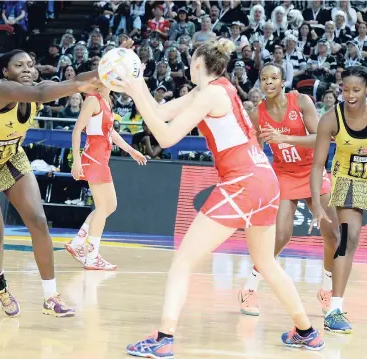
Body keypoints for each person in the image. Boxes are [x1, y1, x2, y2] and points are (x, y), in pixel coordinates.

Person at [110, 39, 324, 357]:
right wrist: (136, 80)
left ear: (198, 64)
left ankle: (164, 338)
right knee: (265, 262)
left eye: (190, 60)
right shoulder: (214, 89)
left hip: (242, 181)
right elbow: (157, 111)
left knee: (182, 261)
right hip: (265, 180)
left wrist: (135, 88)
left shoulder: (210, 93)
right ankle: (306, 331)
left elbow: (166, 137)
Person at [0, 49, 104, 317]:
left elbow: (76, 79)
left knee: (38, 220)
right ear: (5, 71)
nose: (27, 69)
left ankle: (51, 298)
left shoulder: (41, 89)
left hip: (11, 157)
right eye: (18, 65)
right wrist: (83, 83)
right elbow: (41, 94)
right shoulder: (2, 91)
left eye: (30, 64)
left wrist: (108, 68)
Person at [239, 63, 339, 316]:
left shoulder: (301, 101)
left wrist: (285, 138)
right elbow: (254, 150)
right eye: (264, 79)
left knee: (333, 234)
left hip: (312, 170)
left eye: (274, 78)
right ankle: (249, 288)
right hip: (283, 174)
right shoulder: (257, 114)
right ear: (260, 83)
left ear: (283, 81)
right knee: (281, 235)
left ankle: (327, 290)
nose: (269, 82)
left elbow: (321, 138)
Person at [310, 65, 367, 333]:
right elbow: (317, 165)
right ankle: (334, 309)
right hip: (347, 180)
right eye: (346, 90)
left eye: (356, 89)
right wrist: (317, 204)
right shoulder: (330, 119)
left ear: (366, 89)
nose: (350, 94)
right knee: (349, 237)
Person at [65, 88, 147, 270]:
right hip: (93, 158)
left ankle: (79, 242)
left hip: (101, 158)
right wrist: (76, 160)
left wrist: (131, 151)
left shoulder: (106, 100)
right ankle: (92, 256)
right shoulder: (92, 100)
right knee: (103, 207)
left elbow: (111, 133)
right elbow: (77, 130)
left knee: (110, 206)